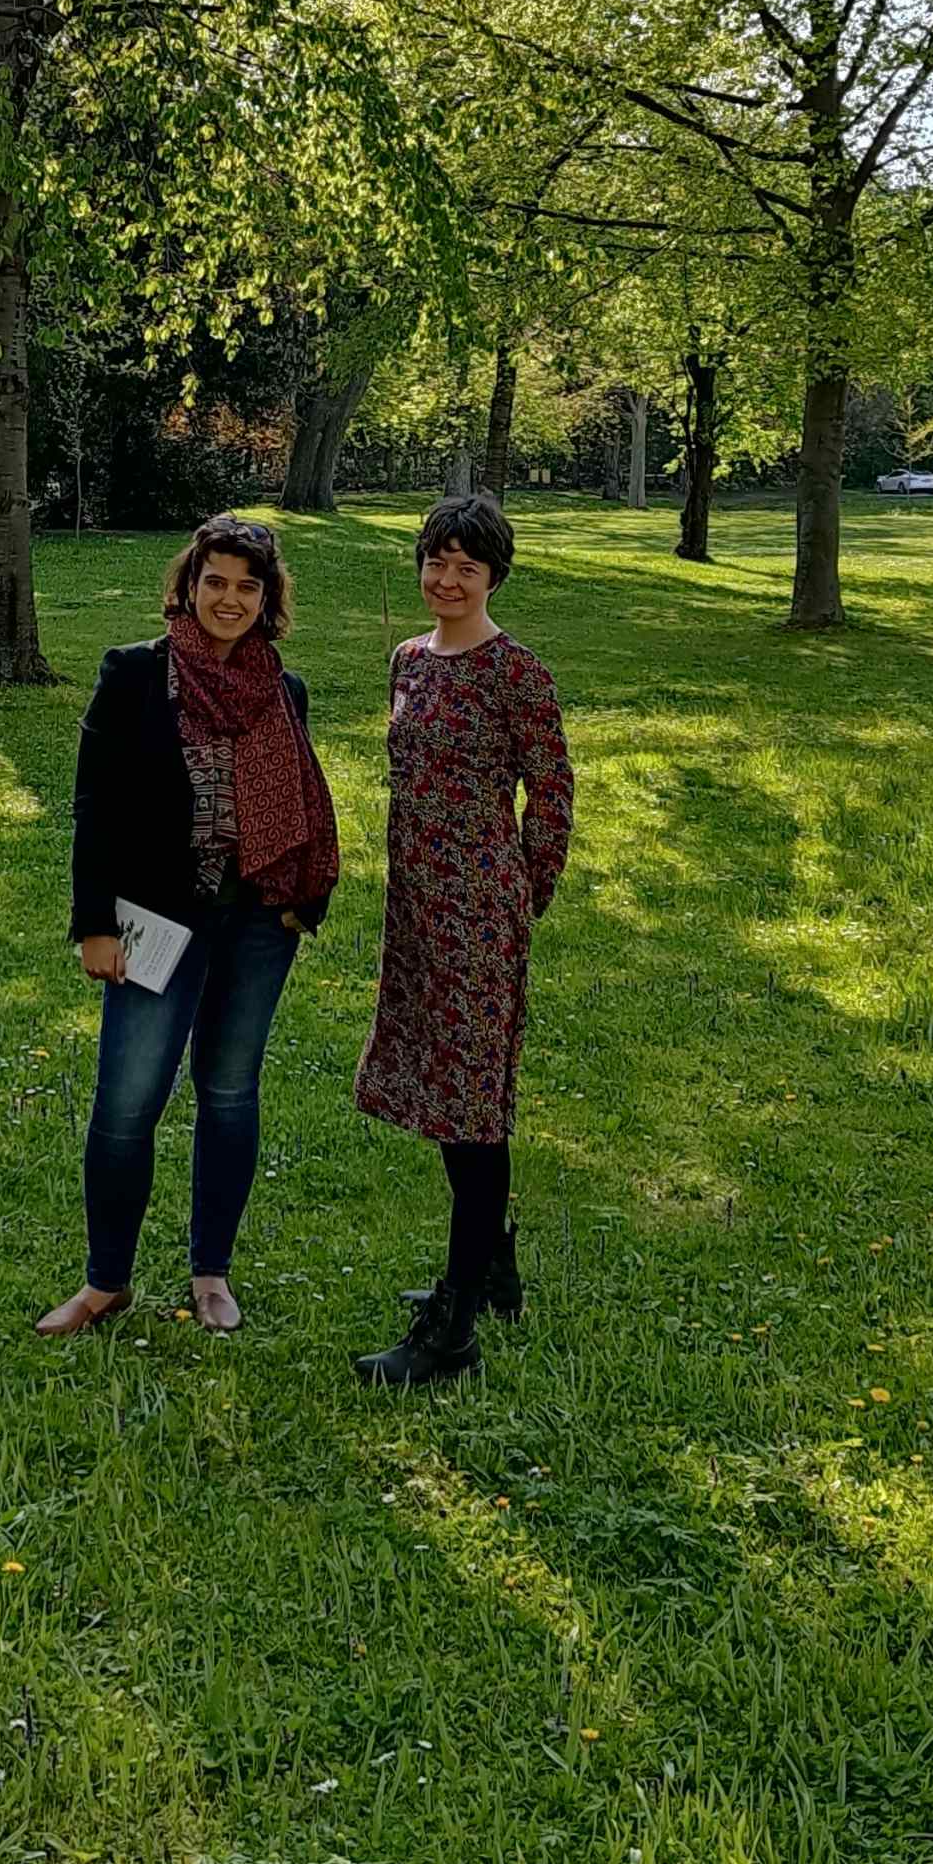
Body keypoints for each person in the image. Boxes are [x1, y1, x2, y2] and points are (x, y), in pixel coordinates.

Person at [39, 515, 340, 1339]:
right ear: (189, 584)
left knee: (231, 1093)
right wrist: (93, 926)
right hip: (153, 921)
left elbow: (305, 806)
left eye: (249, 585)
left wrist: (295, 901)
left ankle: (212, 1275)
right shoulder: (136, 674)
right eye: (217, 581)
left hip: (255, 922)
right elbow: (95, 808)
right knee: (128, 1103)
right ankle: (106, 1283)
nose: (231, 599)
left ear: (268, 597)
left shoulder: (285, 689)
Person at [352, 493, 573, 1386]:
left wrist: (521, 894)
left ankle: (453, 1333)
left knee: (474, 1108)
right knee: (449, 1095)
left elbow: (551, 793)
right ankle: (494, 1270)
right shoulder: (408, 661)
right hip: (415, 914)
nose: (447, 581)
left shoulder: (515, 671)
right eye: (436, 562)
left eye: (466, 568)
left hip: (480, 914)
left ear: (494, 577)